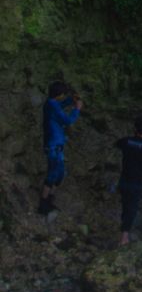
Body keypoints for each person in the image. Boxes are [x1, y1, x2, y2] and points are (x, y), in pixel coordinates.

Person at [37, 80, 81, 215]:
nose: (64, 96)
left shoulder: (51, 103)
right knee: (52, 174)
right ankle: (43, 205)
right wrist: (77, 109)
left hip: (57, 146)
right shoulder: (52, 105)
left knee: (60, 174)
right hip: (53, 146)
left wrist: (69, 100)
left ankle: (49, 200)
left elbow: (59, 105)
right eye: (63, 94)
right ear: (59, 94)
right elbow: (67, 120)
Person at [115, 113, 142, 245]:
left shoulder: (125, 141)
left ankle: (123, 234)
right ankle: (124, 238)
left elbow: (117, 145)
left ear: (135, 127)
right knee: (132, 209)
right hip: (136, 182)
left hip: (123, 180)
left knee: (126, 206)